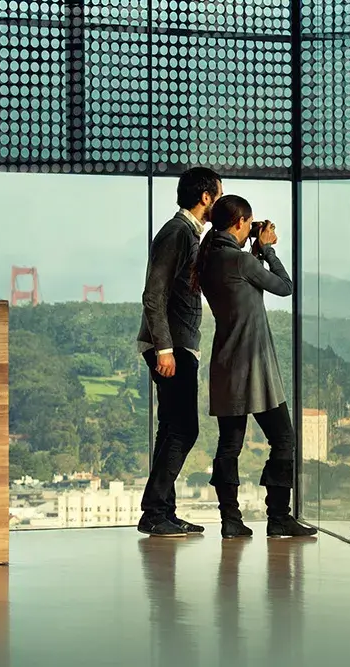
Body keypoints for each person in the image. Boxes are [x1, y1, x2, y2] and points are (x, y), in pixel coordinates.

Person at [194, 194, 317, 539]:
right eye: (248, 223)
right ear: (239, 223)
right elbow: (285, 287)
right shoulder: (241, 261)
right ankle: (278, 517)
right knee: (283, 438)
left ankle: (230, 520)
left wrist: (253, 249)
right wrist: (267, 250)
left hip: (225, 364)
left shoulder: (210, 258)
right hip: (255, 366)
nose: (252, 228)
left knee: (229, 445)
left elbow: (240, 280)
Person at [136, 167, 222, 537]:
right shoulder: (176, 233)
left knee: (172, 428)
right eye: (218, 195)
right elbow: (153, 294)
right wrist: (164, 349)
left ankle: (163, 513)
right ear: (206, 198)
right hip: (171, 345)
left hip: (178, 343)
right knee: (185, 429)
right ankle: (154, 511)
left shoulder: (190, 233)